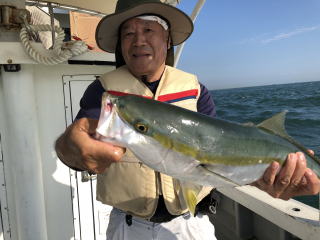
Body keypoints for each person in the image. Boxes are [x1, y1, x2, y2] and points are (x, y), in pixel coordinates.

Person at [55, 0, 320, 239]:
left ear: (167, 38)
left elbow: (219, 152)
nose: (138, 41)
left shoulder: (194, 89)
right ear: (120, 44)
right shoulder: (105, 93)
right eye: (128, 33)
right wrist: (69, 147)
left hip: (191, 223)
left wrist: (263, 179)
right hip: (127, 226)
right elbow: (75, 146)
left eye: (148, 30)